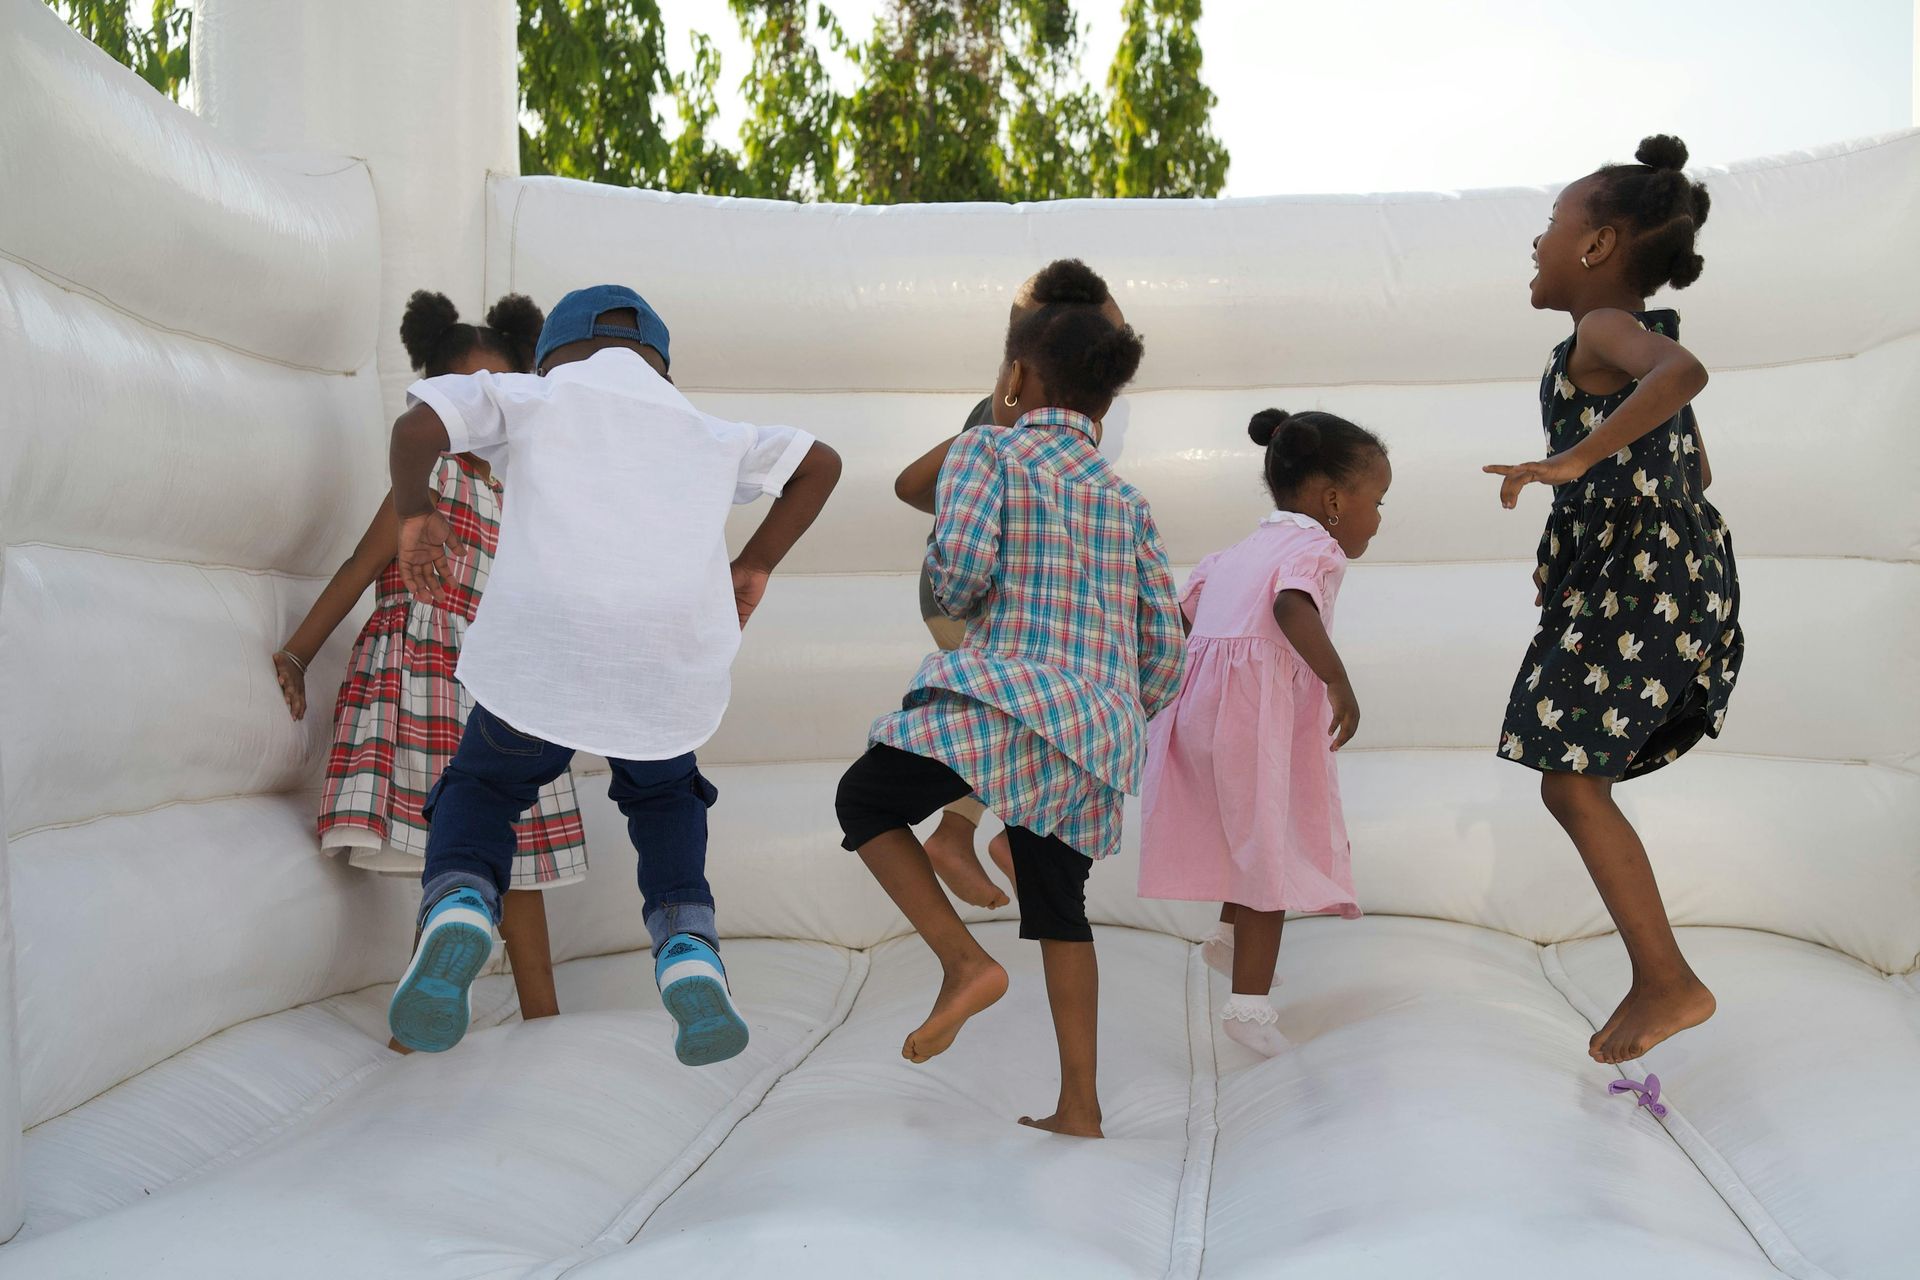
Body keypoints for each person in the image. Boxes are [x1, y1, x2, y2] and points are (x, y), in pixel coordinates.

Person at [381, 284, 842, 1063]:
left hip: (544, 649)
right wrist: (756, 561)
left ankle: (460, 901)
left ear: (555, 353)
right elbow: (821, 464)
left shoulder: (533, 396)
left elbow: (418, 425)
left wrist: (414, 509)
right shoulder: (705, 429)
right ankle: (687, 946)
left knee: (486, 788)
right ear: (660, 366)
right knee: (666, 798)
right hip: (661, 661)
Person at [836, 259, 1183, 1139]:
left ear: (1014, 380)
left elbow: (955, 579)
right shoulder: (1127, 499)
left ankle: (962, 962)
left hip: (1007, 693)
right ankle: (1081, 1107)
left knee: (866, 798)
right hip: (1094, 726)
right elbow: (1165, 653)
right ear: (1105, 404)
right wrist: (1110, 709)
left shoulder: (989, 447)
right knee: (1059, 906)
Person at [1485, 134, 1740, 1065]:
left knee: (1571, 777)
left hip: (1648, 578)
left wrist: (1576, 461)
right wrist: (1573, 540)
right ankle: (1661, 975)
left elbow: (1684, 378)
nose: (1537, 244)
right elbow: (1693, 462)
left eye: (1552, 226)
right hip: (1655, 569)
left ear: (1597, 247)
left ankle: (1668, 978)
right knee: (1571, 778)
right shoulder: (1612, 348)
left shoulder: (1603, 335)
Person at [274, 290, 581, 1035]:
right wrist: (297, 650)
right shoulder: (428, 485)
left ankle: (545, 1019)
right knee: (455, 856)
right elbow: (357, 566)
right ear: (438, 403)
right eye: (466, 401)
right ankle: (420, 1025)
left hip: (502, 692)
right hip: (426, 687)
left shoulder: (519, 497)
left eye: (500, 400)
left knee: (522, 862)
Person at [1138, 409, 1388, 1057]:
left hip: (1200, 716)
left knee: (1239, 829)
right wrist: (1336, 680)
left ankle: (1226, 942)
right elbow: (1289, 605)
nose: (1379, 518)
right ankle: (1248, 1011)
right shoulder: (1315, 548)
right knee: (1267, 853)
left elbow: (1176, 624)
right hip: (1251, 720)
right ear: (1334, 500)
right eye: (1377, 500)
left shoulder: (1234, 553)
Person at [891, 274, 1133, 906]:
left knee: (1013, 713)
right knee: (1017, 711)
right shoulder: (1006, 416)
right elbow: (913, 485)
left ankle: (988, 833)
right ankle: (985, 833)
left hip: (999, 600)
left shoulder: (1025, 410)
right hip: (983, 599)